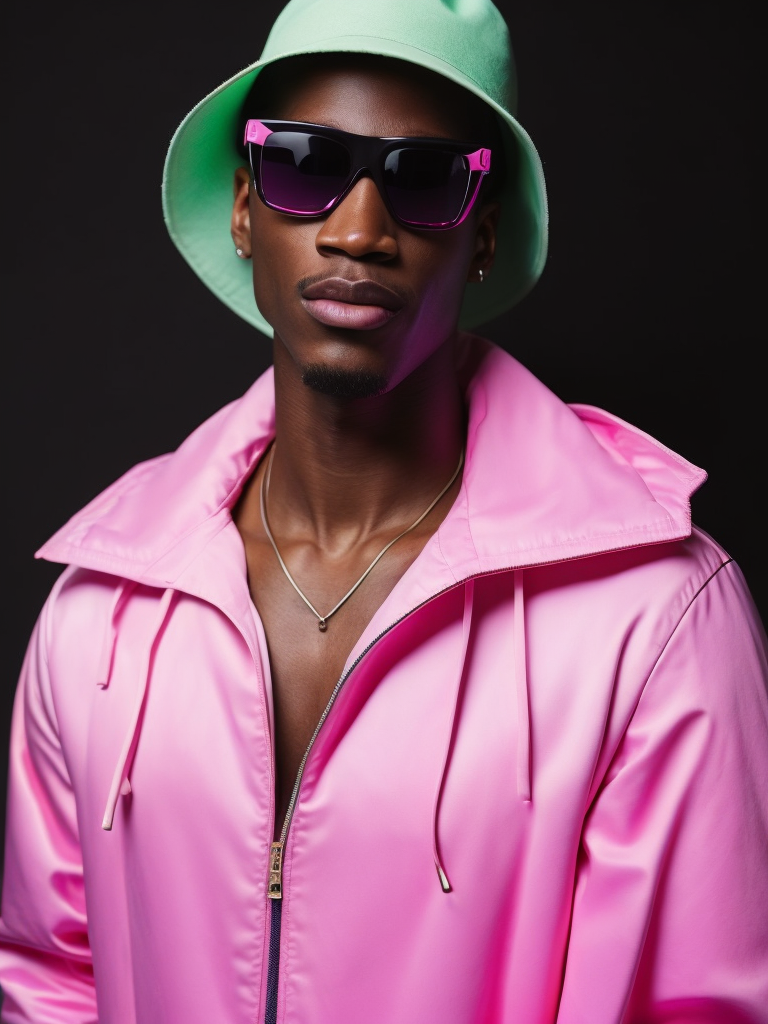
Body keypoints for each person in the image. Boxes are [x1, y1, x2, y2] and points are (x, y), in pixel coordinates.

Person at [1, 0, 767, 1021]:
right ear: (243, 208)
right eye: (307, 164)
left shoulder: (657, 623)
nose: (359, 229)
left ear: (483, 233)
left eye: (425, 180)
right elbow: (50, 981)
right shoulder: (102, 612)